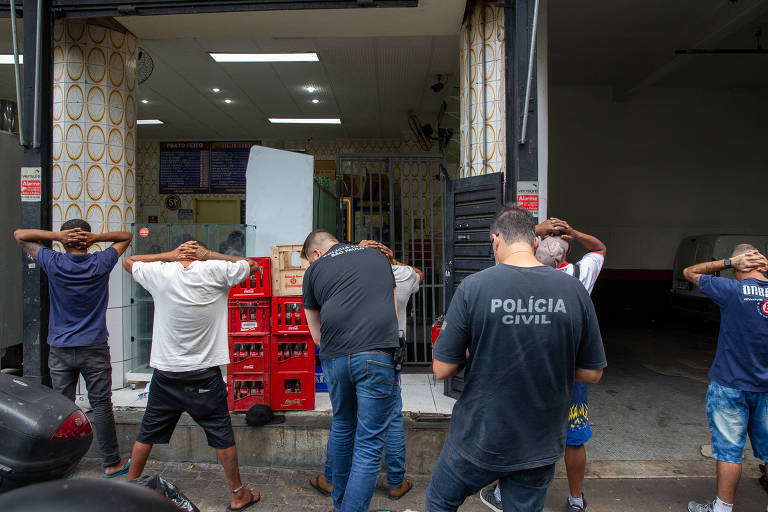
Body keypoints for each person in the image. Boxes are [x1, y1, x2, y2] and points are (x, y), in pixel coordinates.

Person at [426, 205, 607, 512]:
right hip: (539, 442)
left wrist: (476, 351)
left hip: (478, 437)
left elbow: (442, 368)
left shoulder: (474, 286)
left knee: (440, 501)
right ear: (534, 243)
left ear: (495, 242)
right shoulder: (574, 290)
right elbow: (592, 373)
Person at [122, 241, 262, 512]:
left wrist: (167, 255)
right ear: (200, 254)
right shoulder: (217, 270)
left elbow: (128, 261)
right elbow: (253, 265)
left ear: (178, 253)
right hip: (204, 375)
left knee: (147, 431)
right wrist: (210, 256)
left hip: (167, 373)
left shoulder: (160, 273)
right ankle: (238, 494)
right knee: (222, 434)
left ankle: (129, 490)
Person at [481, 217, 607, 512]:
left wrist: (534, 232)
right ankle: (576, 500)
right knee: (574, 439)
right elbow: (599, 249)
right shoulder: (578, 277)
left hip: (525, 371)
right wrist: (573, 232)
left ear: (534, 248)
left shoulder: (512, 277)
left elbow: (502, 250)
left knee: (516, 430)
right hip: (569, 372)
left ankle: (502, 494)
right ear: (565, 256)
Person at [13, 220, 132, 477]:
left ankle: (60, 466)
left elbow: (20, 235)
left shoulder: (53, 261)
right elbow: (126, 236)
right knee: (101, 405)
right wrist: (95, 237)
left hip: (60, 347)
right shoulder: (100, 262)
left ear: (65, 242)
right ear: (87, 241)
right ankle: (111, 462)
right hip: (94, 346)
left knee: (62, 408)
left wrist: (58, 236)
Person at [311, 240, 422, 501]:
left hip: (347, 350)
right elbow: (419, 274)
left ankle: (331, 479)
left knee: (343, 423)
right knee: (391, 416)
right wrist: (394, 261)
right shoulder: (399, 274)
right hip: (387, 353)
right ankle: (395, 480)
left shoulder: (342, 274)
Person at [301, 230, 400, 512]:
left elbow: (316, 334)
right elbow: (391, 310)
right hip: (377, 354)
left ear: (316, 254)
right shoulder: (377, 256)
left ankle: (340, 504)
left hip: (335, 358)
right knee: (368, 444)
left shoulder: (314, 272)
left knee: (343, 426)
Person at [683, 244, 768, 512]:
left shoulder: (732, 290)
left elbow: (689, 271)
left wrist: (730, 262)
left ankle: (722, 508)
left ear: (740, 266)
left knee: (730, 451)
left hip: (729, 384)